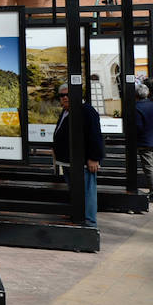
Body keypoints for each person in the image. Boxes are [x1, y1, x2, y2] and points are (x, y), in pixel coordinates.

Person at [53, 83, 104, 227]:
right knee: (75, 191)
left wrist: (94, 158)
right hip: (68, 161)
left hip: (82, 162)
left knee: (87, 191)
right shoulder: (66, 111)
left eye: (68, 94)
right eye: (62, 95)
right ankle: (78, 215)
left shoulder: (87, 111)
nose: (65, 98)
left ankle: (89, 222)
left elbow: (95, 135)